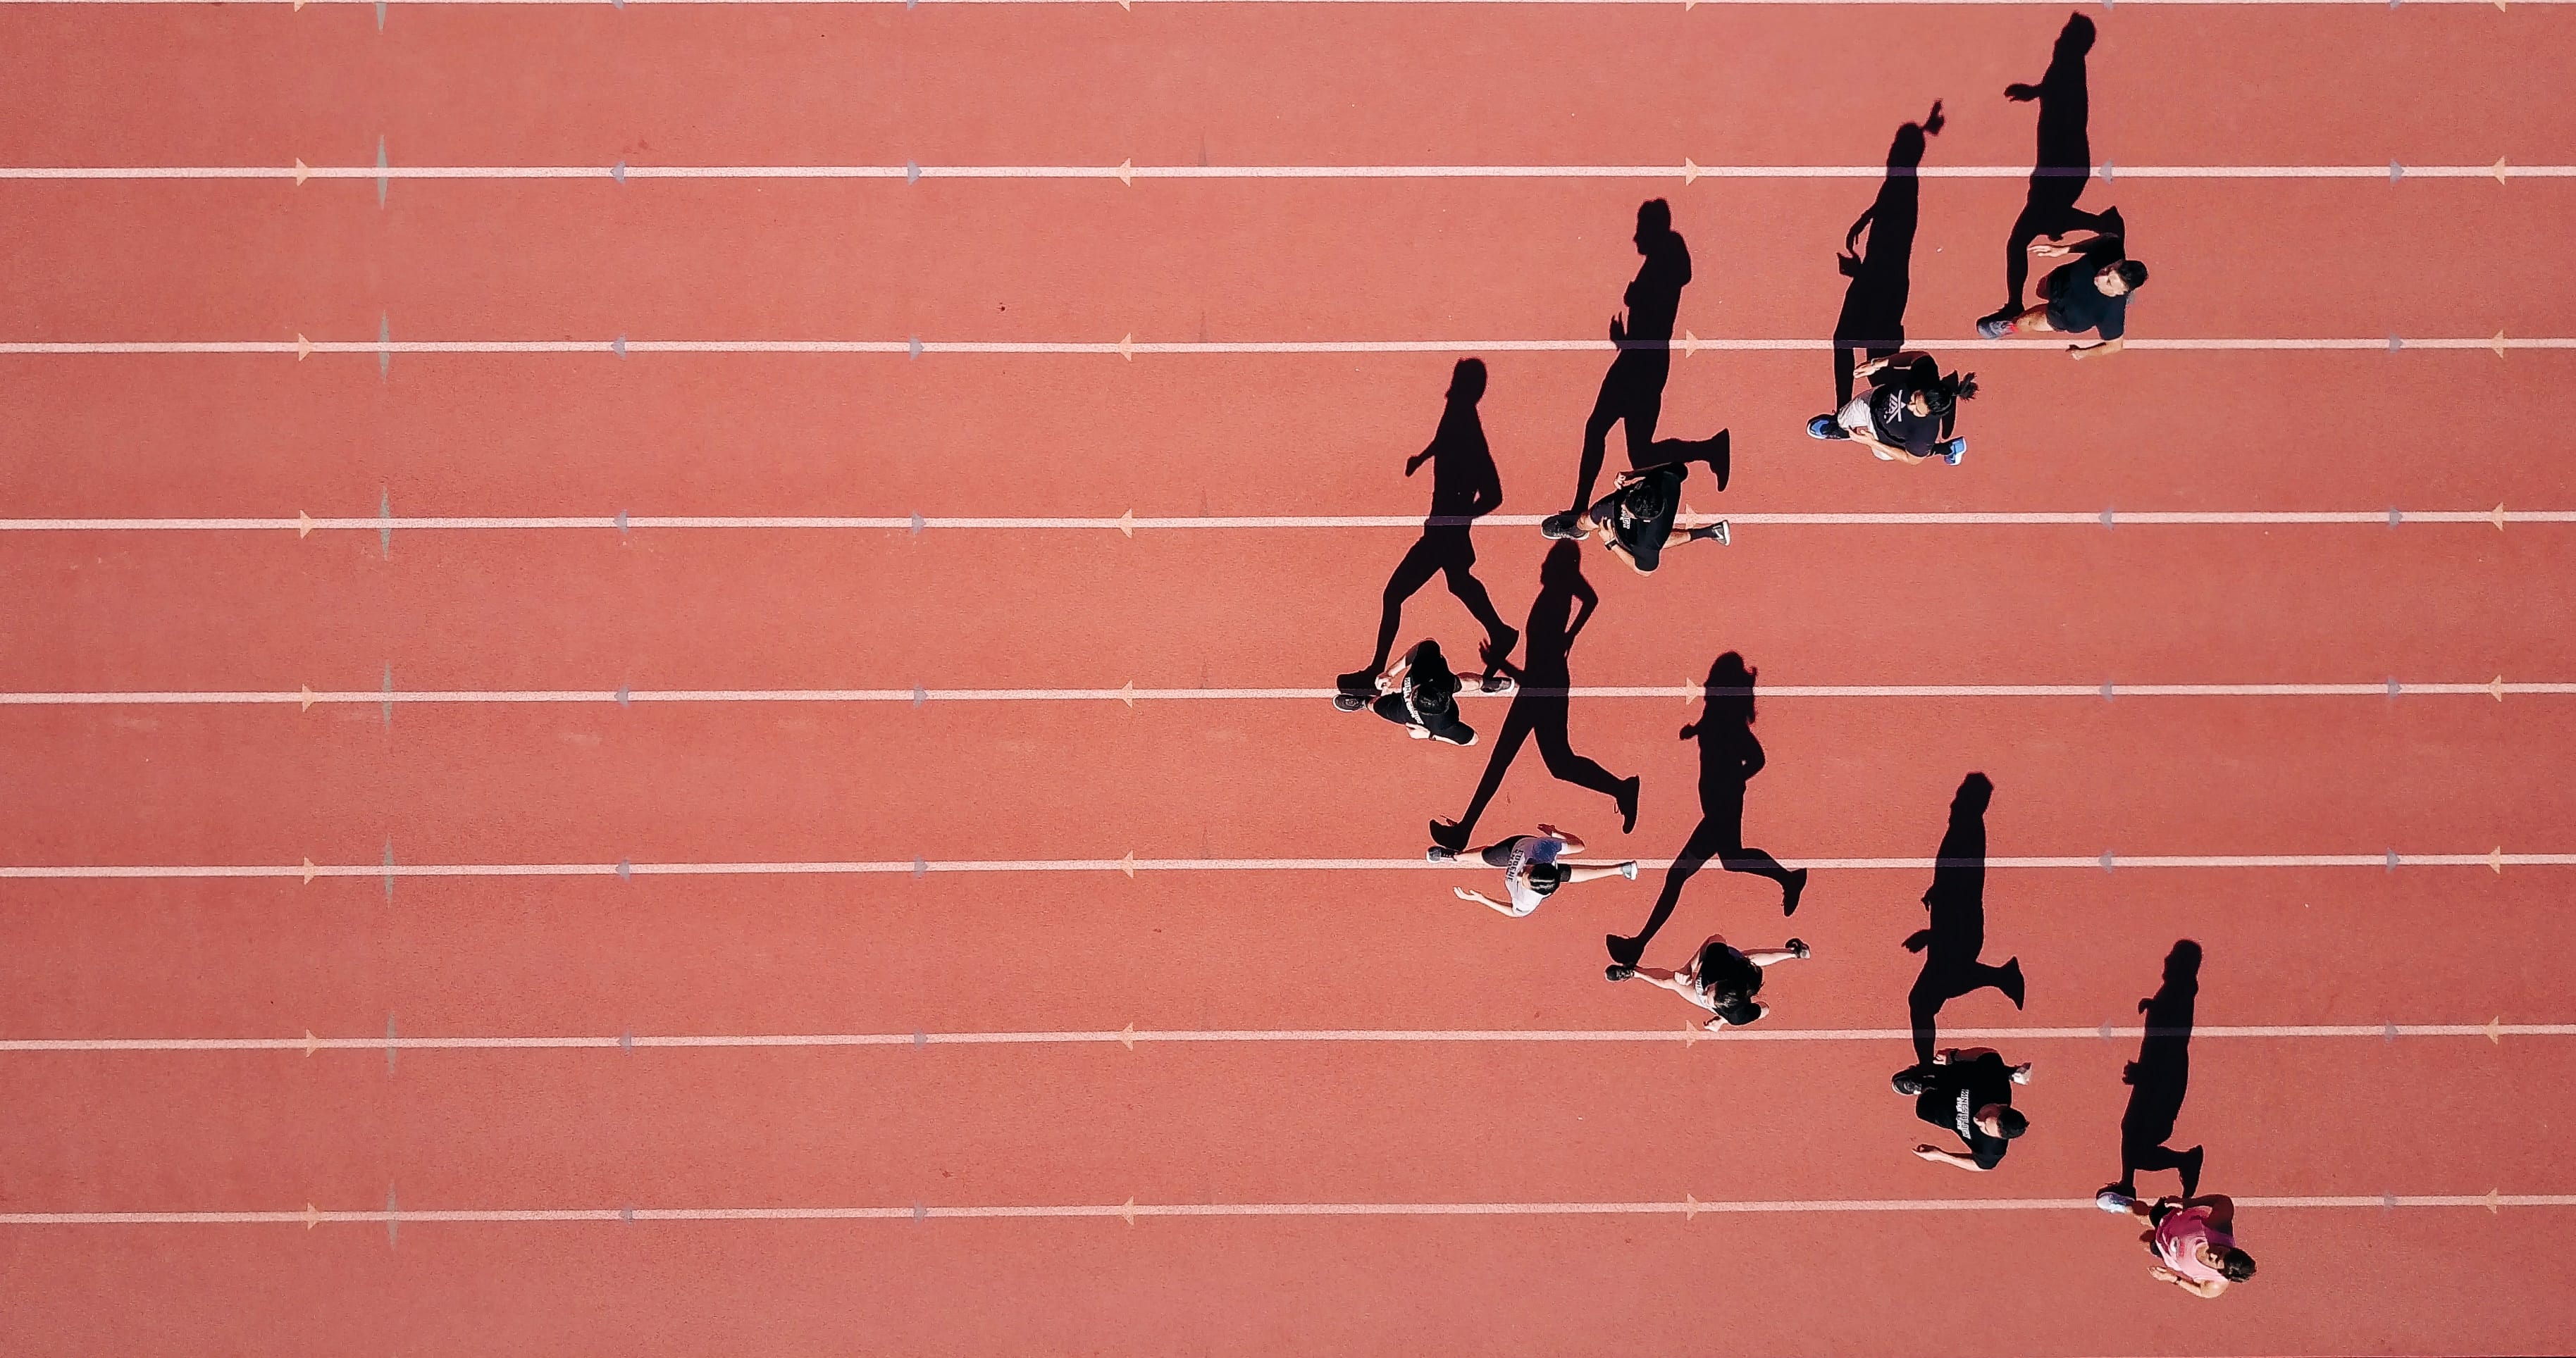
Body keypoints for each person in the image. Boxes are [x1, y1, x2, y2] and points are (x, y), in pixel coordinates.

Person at [1428, 542, 1640, 854]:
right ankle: (1622, 788)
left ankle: (1464, 831)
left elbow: (1587, 606)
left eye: (1547, 563)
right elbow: (1591, 600)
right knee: (1556, 763)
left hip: (1544, 687)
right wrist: (1569, 636)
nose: (1542, 568)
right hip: (1544, 685)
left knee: (1512, 760)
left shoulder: (1556, 596)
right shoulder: (1560, 591)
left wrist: (1504, 665)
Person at [1606, 653, 1807, 969]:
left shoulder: (1730, 724)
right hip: (1718, 804)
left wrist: (1732, 780)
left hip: (1722, 808)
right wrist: (1695, 731)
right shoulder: (1716, 715)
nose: (1707, 683)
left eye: (1713, 679)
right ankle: (1789, 880)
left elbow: (1757, 759)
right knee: (1733, 860)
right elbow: (1713, 730)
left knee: (1677, 875)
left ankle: (1638, 945)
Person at [1335, 359, 1519, 702]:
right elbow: (1444, 438)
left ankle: (1376, 671)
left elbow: (1494, 495)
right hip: (1443, 530)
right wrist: (1423, 457)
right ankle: (1500, 630)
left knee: (1394, 595)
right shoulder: (1457, 415)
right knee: (1459, 582)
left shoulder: (1467, 425)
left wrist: (1458, 519)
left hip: (1442, 533)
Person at [1542, 200, 1691, 538]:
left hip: (1641, 362)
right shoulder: (1664, 261)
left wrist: (1626, 332)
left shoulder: (1660, 265)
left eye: (1641, 227)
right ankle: (1706, 450)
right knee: (1634, 448)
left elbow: (1654, 312)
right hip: (1644, 359)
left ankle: (1582, 514)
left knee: (1604, 432)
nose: (1636, 235)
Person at [1542, 432, 1731, 575]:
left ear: (1641, 518)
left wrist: (1611, 542)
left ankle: (1707, 533)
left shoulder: (1646, 543)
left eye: (1627, 507)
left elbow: (1644, 570)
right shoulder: (1665, 481)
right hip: (1651, 527)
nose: (1623, 504)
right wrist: (1634, 474)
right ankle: (1578, 530)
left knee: (1654, 544)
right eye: (1629, 497)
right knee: (1586, 519)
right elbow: (1678, 468)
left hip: (1633, 536)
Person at [1976, 225, 2145, 360]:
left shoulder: (2111, 313)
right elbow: (2105, 239)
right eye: (2108, 269)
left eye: (2109, 282)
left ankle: (2008, 326)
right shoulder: (2112, 249)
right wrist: (2064, 250)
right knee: (2041, 290)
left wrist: (2084, 353)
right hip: (2062, 280)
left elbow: (2115, 346)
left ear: (2120, 291)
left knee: (2024, 322)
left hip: (2065, 316)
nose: (2100, 276)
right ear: (2118, 261)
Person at [1606, 933, 1807, 1032]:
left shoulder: (1738, 1017)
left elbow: (1765, 1009)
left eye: (1708, 998)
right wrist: (1689, 969)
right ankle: (1794, 952)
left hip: (1736, 991)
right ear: (1719, 982)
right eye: (1709, 990)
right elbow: (1715, 938)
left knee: (1671, 983)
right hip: (1730, 964)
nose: (1702, 994)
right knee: (1747, 958)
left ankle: (1634, 972)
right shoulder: (1717, 964)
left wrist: (1724, 1020)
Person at [1432, 823, 1638, 916]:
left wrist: (1481, 899)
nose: (1521, 873)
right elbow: (1579, 846)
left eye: (1524, 877)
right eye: (1527, 870)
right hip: (1517, 846)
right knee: (1489, 856)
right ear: (1543, 864)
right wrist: (1557, 834)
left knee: (1569, 875)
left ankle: (1621, 869)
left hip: (1545, 874)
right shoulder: (1543, 848)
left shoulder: (1526, 900)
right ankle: (1456, 856)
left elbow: (1514, 913)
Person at [1806, 352, 1971, 464]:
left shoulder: (1926, 432)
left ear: (1930, 414)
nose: (1909, 405)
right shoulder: (1925, 375)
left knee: (1899, 453)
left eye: (1916, 410)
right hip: (1872, 402)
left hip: (1882, 439)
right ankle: (1841, 429)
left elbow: (1912, 459)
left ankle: (1947, 448)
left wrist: (1873, 443)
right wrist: (1876, 364)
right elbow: (1918, 356)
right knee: (1842, 419)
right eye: (1914, 398)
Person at [2095, 1193, 2256, 1297]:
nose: (2213, 1253)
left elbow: (2201, 1291)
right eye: (2221, 1251)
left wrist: (2173, 1279)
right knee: (2142, 1214)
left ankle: (2151, 1234)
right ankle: (2124, 1205)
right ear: (2229, 1248)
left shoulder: (2215, 1284)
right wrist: (2188, 1203)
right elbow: (2223, 1201)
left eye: (2215, 1260)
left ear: (2222, 1272)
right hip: (2172, 1219)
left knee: (2144, 1240)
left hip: (2167, 1251)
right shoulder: (2218, 1227)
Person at [1900, 1045, 2031, 1171]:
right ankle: (2009, 1073)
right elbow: (1988, 1054)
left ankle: (1926, 1087)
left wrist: (1940, 1156)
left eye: (1984, 1128)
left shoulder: (1992, 1150)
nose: (1977, 1120)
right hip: (1965, 1081)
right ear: (2000, 1105)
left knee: (1922, 1110)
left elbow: (1980, 1165)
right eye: (1986, 1115)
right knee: (1943, 1068)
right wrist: (1955, 1055)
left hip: (1950, 1116)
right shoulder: (1994, 1083)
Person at [1349, 640, 1485, 745]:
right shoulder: (1424, 670)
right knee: (1471, 682)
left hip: (1405, 713)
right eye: (1414, 692)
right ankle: (1489, 683)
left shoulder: (1443, 725)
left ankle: (1365, 703)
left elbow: (1473, 740)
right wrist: (1390, 673)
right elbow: (1426, 644)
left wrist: (1430, 736)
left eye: (1412, 698)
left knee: (1374, 706)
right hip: (1443, 681)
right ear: (1428, 684)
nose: (1406, 695)